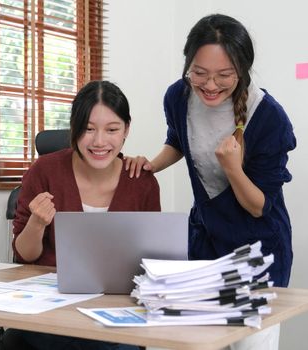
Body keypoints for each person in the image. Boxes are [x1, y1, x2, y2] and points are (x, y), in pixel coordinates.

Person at [125, 14, 295, 350]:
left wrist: (233, 168)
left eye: (224, 76)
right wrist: (152, 165)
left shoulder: (269, 116)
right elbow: (178, 139)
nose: (210, 85)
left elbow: (259, 206)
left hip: (258, 253)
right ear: (187, 65)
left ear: (242, 71)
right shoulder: (178, 96)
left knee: (251, 344)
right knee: (197, 343)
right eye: (199, 73)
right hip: (205, 244)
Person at [0, 80, 160, 350]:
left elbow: (154, 261)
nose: (99, 142)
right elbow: (24, 254)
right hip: (49, 316)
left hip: (115, 319)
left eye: (112, 129)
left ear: (126, 130)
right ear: (74, 129)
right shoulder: (45, 171)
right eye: (88, 129)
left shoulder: (140, 181)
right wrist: (38, 223)